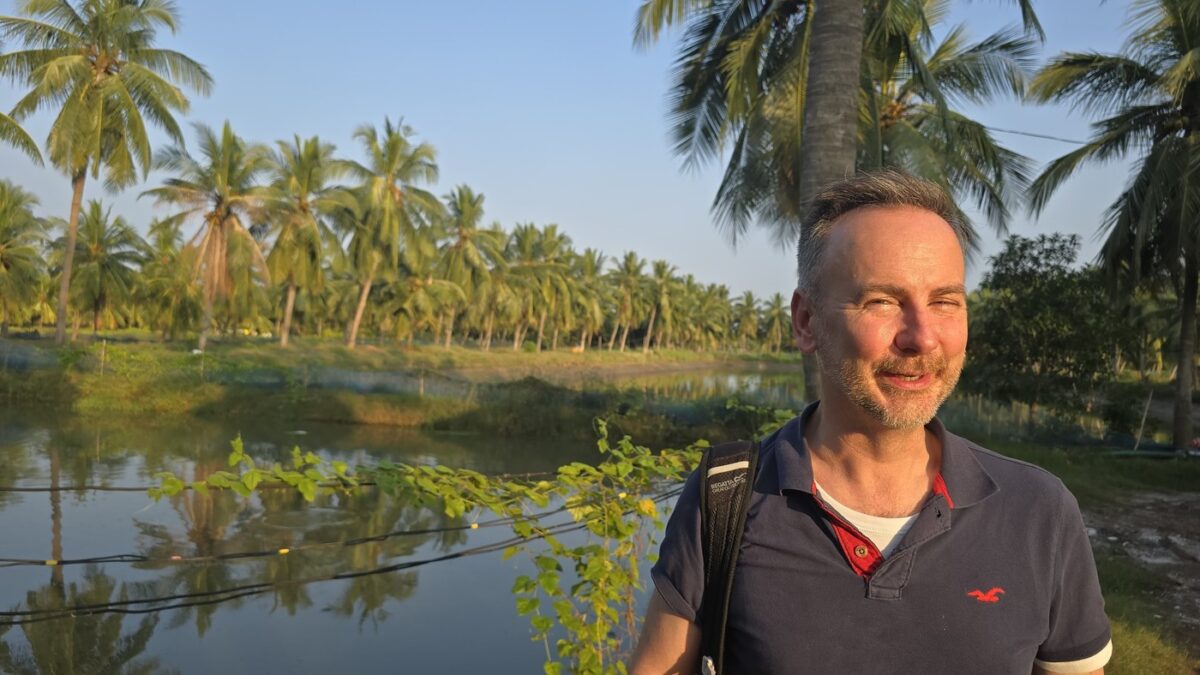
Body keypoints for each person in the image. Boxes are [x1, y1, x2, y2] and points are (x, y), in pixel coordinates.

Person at [629, 170, 1112, 674]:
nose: (922, 338)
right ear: (807, 321)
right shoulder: (726, 498)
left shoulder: (1038, 510)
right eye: (882, 301)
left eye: (945, 301)